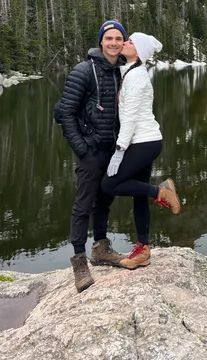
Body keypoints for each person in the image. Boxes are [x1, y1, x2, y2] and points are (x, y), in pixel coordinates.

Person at [101, 32, 181, 270]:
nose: (125, 43)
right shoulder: (131, 71)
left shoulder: (137, 76)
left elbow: (131, 118)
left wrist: (119, 150)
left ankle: (162, 192)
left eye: (131, 42)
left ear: (140, 51)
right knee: (139, 196)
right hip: (145, 141)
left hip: (142, 142)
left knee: (109, 185)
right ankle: (143, 250)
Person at [58, 19, 127, 292]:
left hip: (113, 149)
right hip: (90, 150)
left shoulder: (120, 71)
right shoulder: (84, 70)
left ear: (123, 42)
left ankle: (101, 248)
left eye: (118, 38)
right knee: (83, 205)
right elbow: (65, 112)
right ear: (101, 41)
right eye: (108, 38)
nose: (113, 43)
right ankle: (79, 261)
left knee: (105, 200)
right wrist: (81, 148)